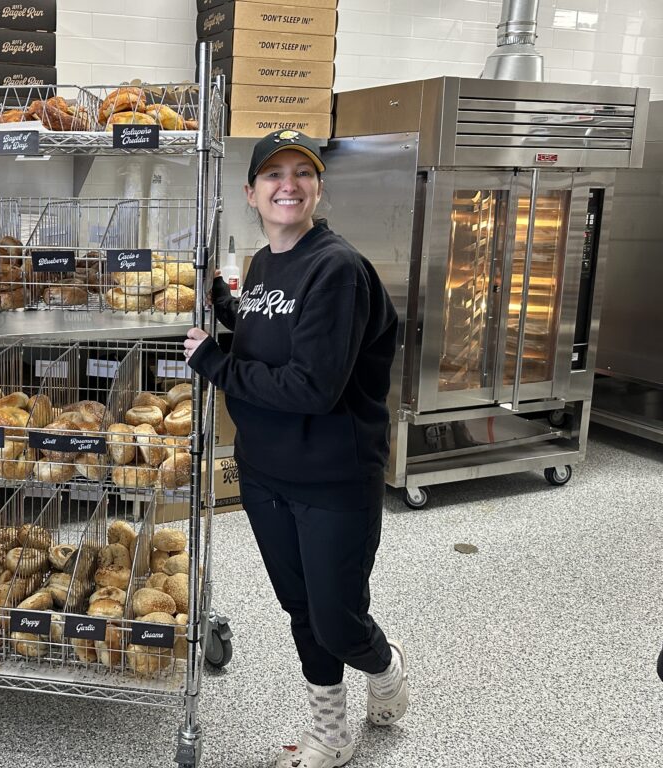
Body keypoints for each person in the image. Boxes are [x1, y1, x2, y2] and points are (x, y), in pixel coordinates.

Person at [184, 130, 406, 768]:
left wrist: (213, 363)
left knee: (338, 621)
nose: (288, 184)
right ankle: (329, 732)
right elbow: (267, 332)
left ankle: (385, 665)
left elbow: (311, 386)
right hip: (264, 473)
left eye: (301, 173)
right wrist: (227, 308)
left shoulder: (336, 269)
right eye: (273, 174)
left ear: (317, 188)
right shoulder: (263, 263)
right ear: (251, 193)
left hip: (332, 478)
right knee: (300, 608)